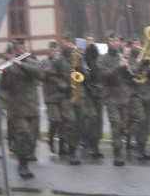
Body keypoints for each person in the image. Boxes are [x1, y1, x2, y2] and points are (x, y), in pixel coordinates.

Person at [0, 38, 43, 178]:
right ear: (14, 51)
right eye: (19, 49)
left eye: (24, 48)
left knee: (31, 137)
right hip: (17, 108)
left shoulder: (32, 63)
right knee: (22, 135)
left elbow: (39, 74)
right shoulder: (7, 66)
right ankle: (22, 165)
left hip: (31, 107)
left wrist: (21, 65)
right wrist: (2, 72)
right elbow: (3, 85)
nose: (22, 50)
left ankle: (25, 161)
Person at [48, 32, 92, 165]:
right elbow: (52, 75)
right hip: (66, 96)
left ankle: (75, 147)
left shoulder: (79, 57)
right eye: (64, 41)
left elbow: (88, 74)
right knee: (70, 122)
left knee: (80, 123)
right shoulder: (58, 60)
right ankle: (71, 151)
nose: (66, 44)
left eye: (68, 41)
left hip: (80, 94)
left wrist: (80, 68)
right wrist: (62, 85)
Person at [97, 31, 132, 167]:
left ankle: (120, 146)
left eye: (116, 41)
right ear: (107, 42)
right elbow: (104, 75)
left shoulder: (122, 56)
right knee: (116, 125)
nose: (114, 43)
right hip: (111, 96)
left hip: (123, 96)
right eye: (111, 41)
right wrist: (119, 66)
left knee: (123, 126)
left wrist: (128, 66)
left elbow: (130, 77)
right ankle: (117, 153)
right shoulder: (102, 59)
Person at [128, 36, 150, 162]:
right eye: (135, 43)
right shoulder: (128, 58)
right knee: (141, 120)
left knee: (147, 123)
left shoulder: (146, 57)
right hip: (136, 95)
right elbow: (132, 72)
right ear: (130, 45)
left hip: (147, 94)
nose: (138, 45)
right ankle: (138, 148)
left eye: (139, 43)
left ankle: (143, 150)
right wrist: (141, 65)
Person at [82, 33, 105, 158]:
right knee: (91, 119)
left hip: (98, 90)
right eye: (87, 39)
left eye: (91, 39)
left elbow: (100, 70)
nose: (89, 41)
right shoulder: (83, 55)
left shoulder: (97, 54)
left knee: (98, 119)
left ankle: (96, 146)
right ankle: (89, 144)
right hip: (88, 91)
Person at [41, 41, 64, 156]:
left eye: (57, 51)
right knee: (55, 121)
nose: (55, 53)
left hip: (61, 97)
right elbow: (42, 74)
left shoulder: (61, 62)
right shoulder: (45, 62)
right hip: (50, 97)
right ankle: (50, 139)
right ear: (49, 51)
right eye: (53, 51)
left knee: (62, 123)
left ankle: (62, 146)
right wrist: (53, 68)